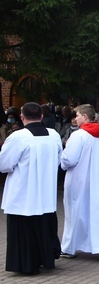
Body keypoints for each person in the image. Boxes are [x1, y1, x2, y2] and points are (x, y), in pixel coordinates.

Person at [0, 102, 63, 274]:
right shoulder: (54, 135)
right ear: (41, 116)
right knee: (43, 224)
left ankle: (26, 265)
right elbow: (59, 159)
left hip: (24, 192)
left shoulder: (18, 137)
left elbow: (4, 164)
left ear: (22, 117)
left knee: (24, 227)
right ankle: (46, 259)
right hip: (45, 191)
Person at [60, 104, 99, 260]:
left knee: (74, 214)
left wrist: (63, 158)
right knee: (96, 214)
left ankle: (69, 247)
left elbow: (69, 159)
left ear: (85, 116)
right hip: (96, 180)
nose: (75, 118)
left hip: (78, 180)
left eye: (77, 115)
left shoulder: (79, 135)